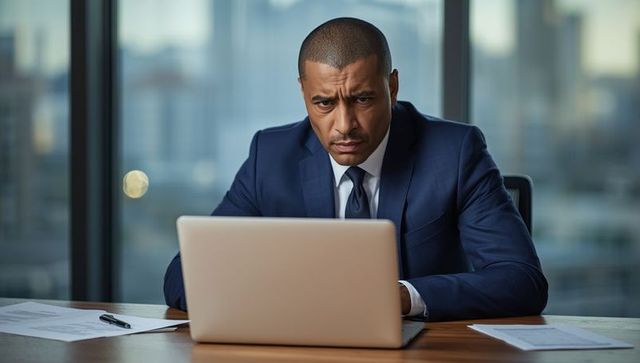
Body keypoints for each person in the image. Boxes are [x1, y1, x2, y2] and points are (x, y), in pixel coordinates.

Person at [164, 17, 548, 321]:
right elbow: (182, 277)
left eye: (362, 99)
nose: (344, 125)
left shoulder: (455, 153)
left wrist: (397, 297)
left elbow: (521, 281)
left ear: (392, 87)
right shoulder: (271, 155)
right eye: (324, 103)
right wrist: (276, 298)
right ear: (303, 93)